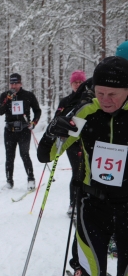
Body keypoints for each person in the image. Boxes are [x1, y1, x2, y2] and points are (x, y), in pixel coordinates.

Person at [38, 56, 128, 276]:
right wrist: (54, 131)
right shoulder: (85, 113)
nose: (105, 100)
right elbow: (46, 156)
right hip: (94, 208)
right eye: (100, 92)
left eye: (113, 95)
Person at [0, 73, 41, 189]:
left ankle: (31, 179)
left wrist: (34, 122)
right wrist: (7, 99)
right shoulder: (4, 95)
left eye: (16, 83)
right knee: (9, 156)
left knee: (24, 154)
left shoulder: (28, 95)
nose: (14, 86)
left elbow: (37, 110)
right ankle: (9, 181)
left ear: (20, 83)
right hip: (9, 130)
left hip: (24, 129)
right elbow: (0, 111)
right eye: (12, 83)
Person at [54, 71, 87, 217]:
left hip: (88, 140)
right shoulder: (65, 101)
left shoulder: (89, 99)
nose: (78, 85)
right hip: (72, 142)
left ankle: (87, 202)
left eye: (80, 82)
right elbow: (57, 119)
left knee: (87, 172)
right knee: (77, 171)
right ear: (71, 84)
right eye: (75, 82)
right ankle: (73, 202)